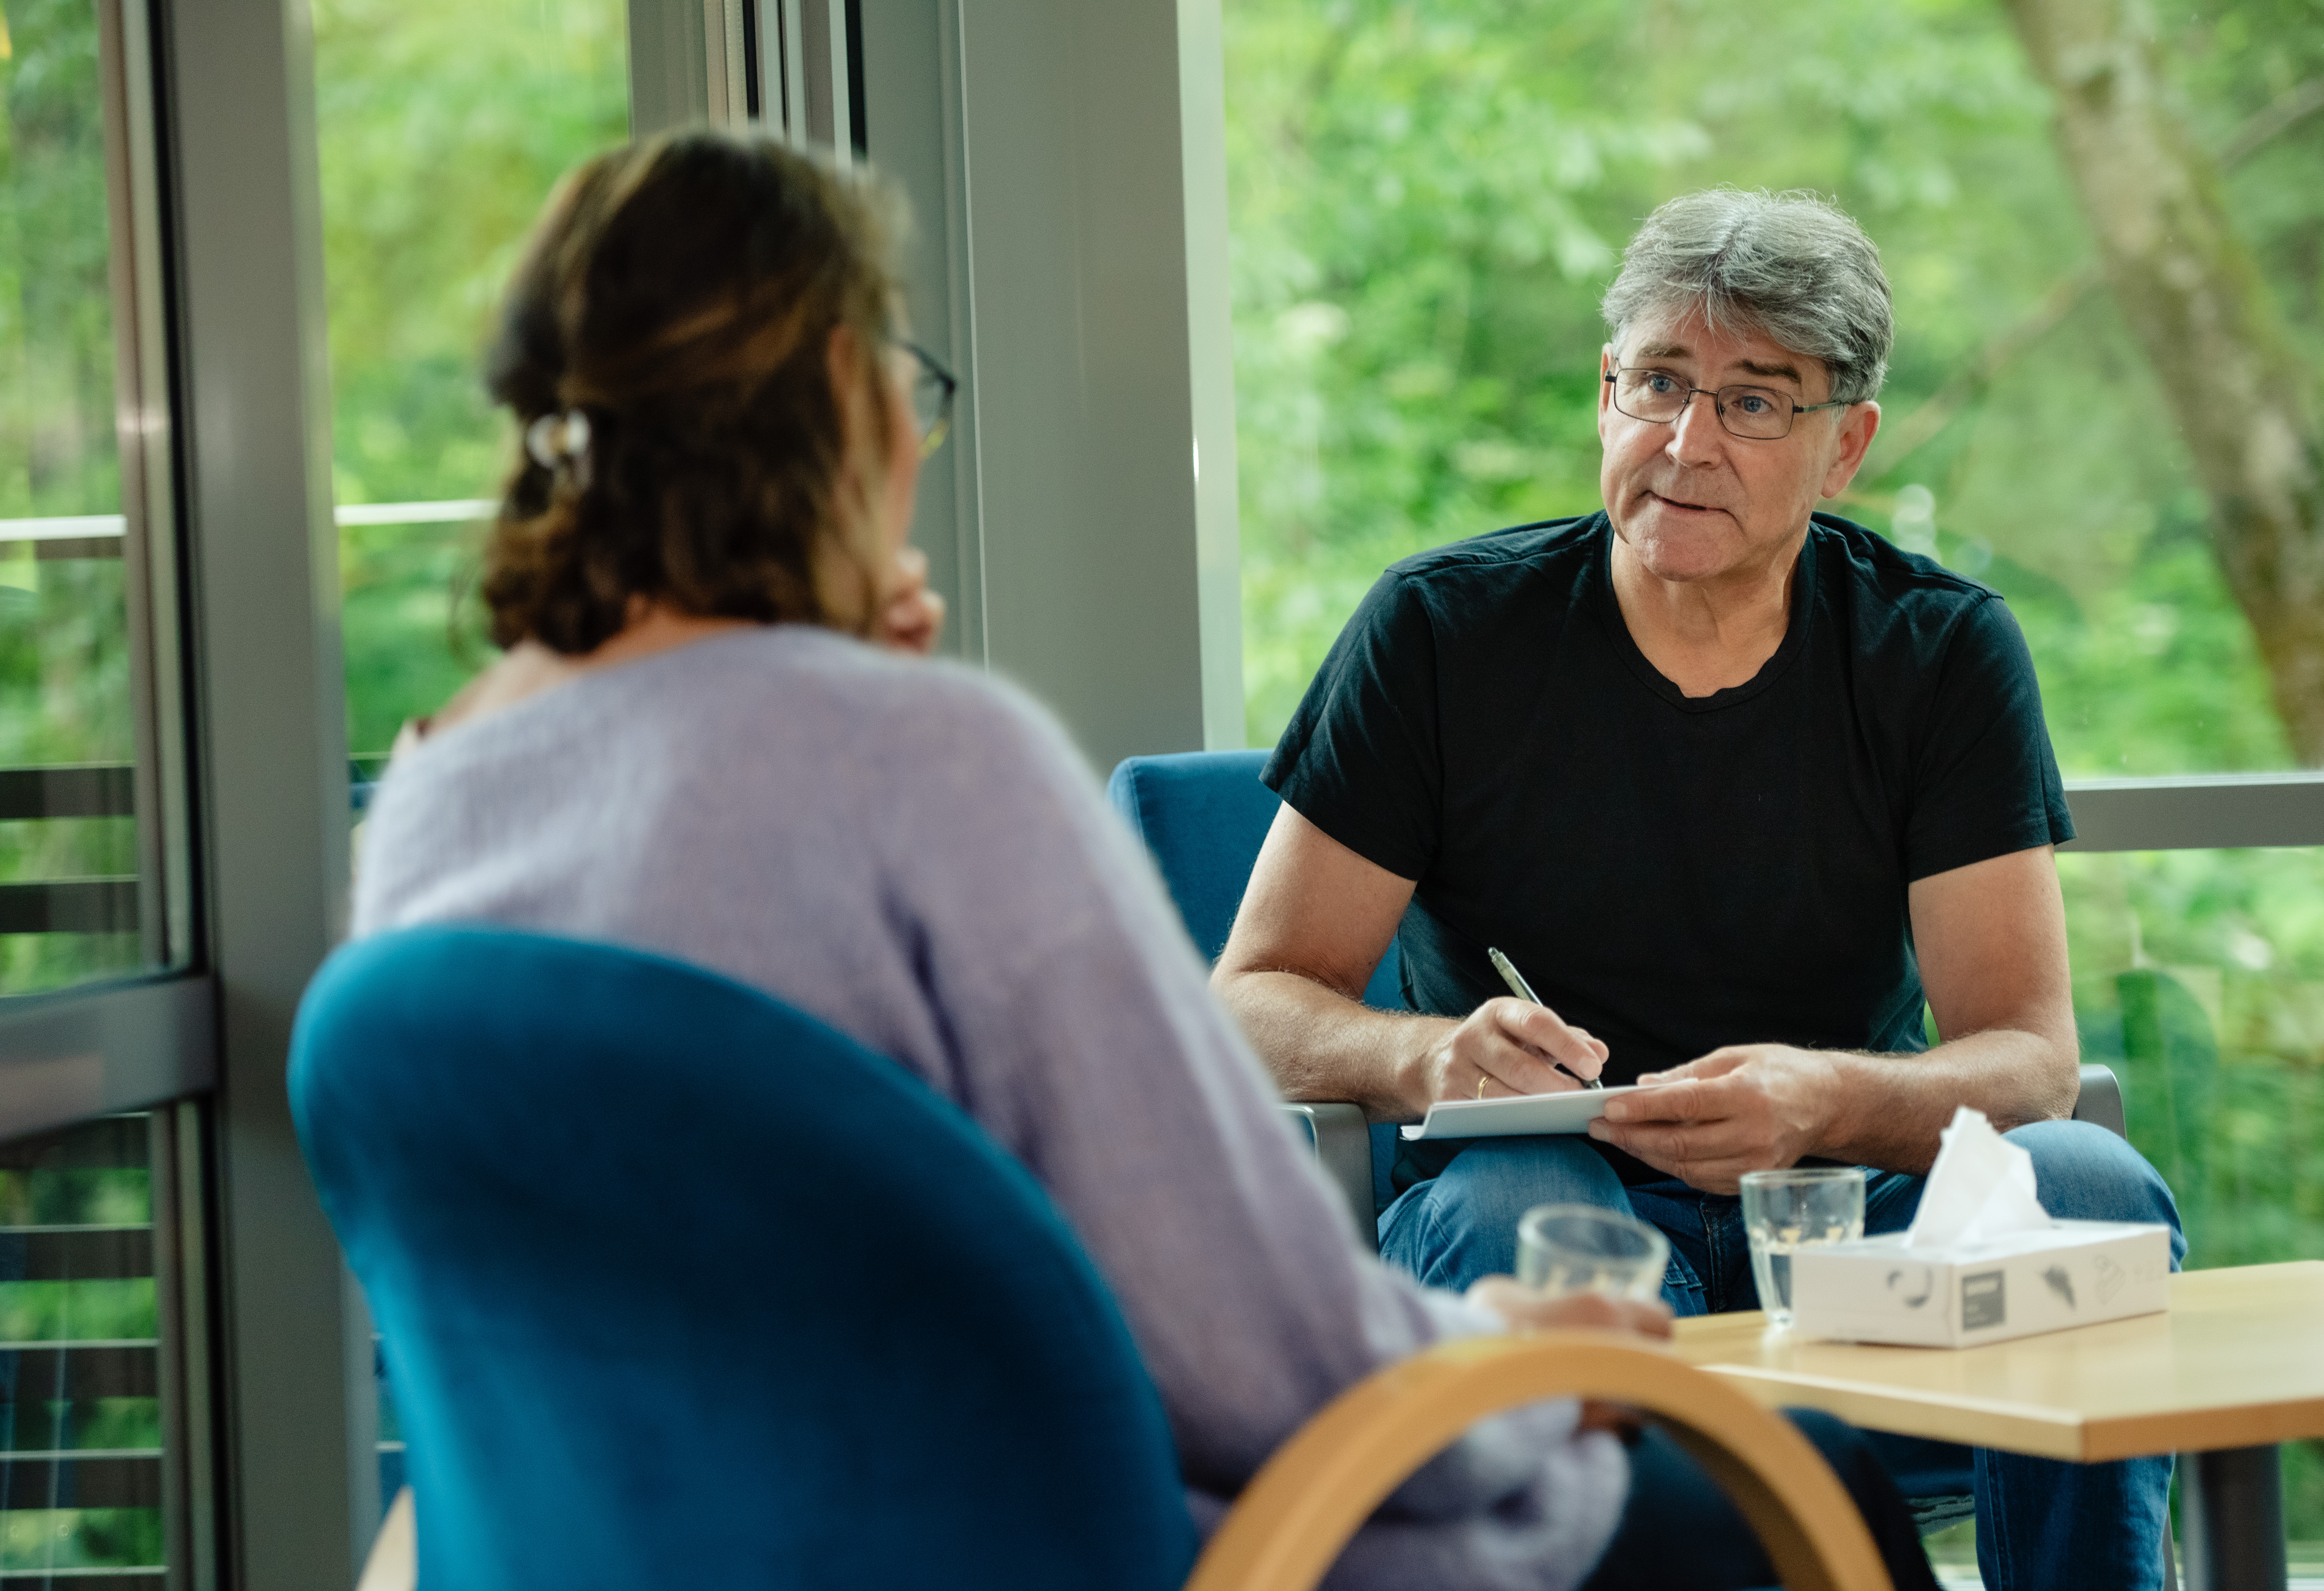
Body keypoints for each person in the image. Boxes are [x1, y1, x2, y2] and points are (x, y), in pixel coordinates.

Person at [349, 137, 1943, 1589]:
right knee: (1788, 1487)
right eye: (903, 381)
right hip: (1046, 1534)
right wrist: (1508, 1349)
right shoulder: (931, 765)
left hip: (638, 1541)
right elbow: (1249, 1345)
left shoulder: (434, 797)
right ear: (840, 393)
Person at [1212, 187, 2185, 1591]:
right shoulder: (1440, 631)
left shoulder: (1940, 652)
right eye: (1658, 381)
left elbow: (2030, 1060)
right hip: (1550, 1193)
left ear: (1845, 445)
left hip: (1852, 1214)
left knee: (2092, 1183)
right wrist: (1426, 1054)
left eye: (1755, 401)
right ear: (1604, 392)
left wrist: (1824, 1102)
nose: (1687, 442)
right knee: (1519, 1222)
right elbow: (1252, 997)